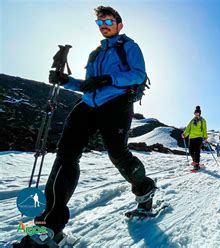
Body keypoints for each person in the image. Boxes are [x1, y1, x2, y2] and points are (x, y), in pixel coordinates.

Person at [16, 6, 156, 247]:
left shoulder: (129, 46)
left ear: (119, 24)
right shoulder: (95, 53)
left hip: (116, 103)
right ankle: (49, 227)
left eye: (108, 21)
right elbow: (88, 85)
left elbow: (138, 75)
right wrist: (66, 81)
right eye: (99, 23)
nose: (103, 25)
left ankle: (145, 189)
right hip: (87, 105)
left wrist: (110, 79)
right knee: (65, 157)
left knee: (118, 155)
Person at [182, 106, 208, 170]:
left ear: (199, 113)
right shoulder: (192, 121)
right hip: (191, 137)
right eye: (195, 112)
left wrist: (205, 137)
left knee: (197, 151)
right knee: (190, 151)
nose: (196, 114)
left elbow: (204, 129)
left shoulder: (202, 120)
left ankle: (196, 164)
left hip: (199, 137)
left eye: (197, 112)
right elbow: (188, 128)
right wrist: (184, 134)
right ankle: (196, 162)